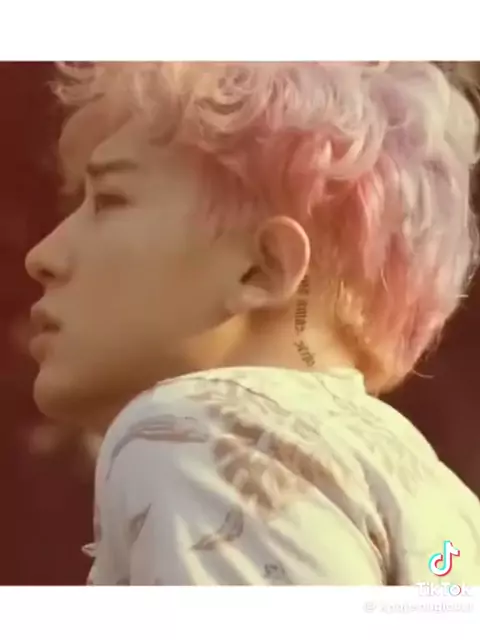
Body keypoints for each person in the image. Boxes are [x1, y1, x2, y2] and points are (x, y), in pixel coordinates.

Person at [26, 62, 480, 585]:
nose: (42, 256)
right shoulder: (446, 504)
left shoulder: (196, 429)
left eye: (109, 199)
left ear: (265, 267)